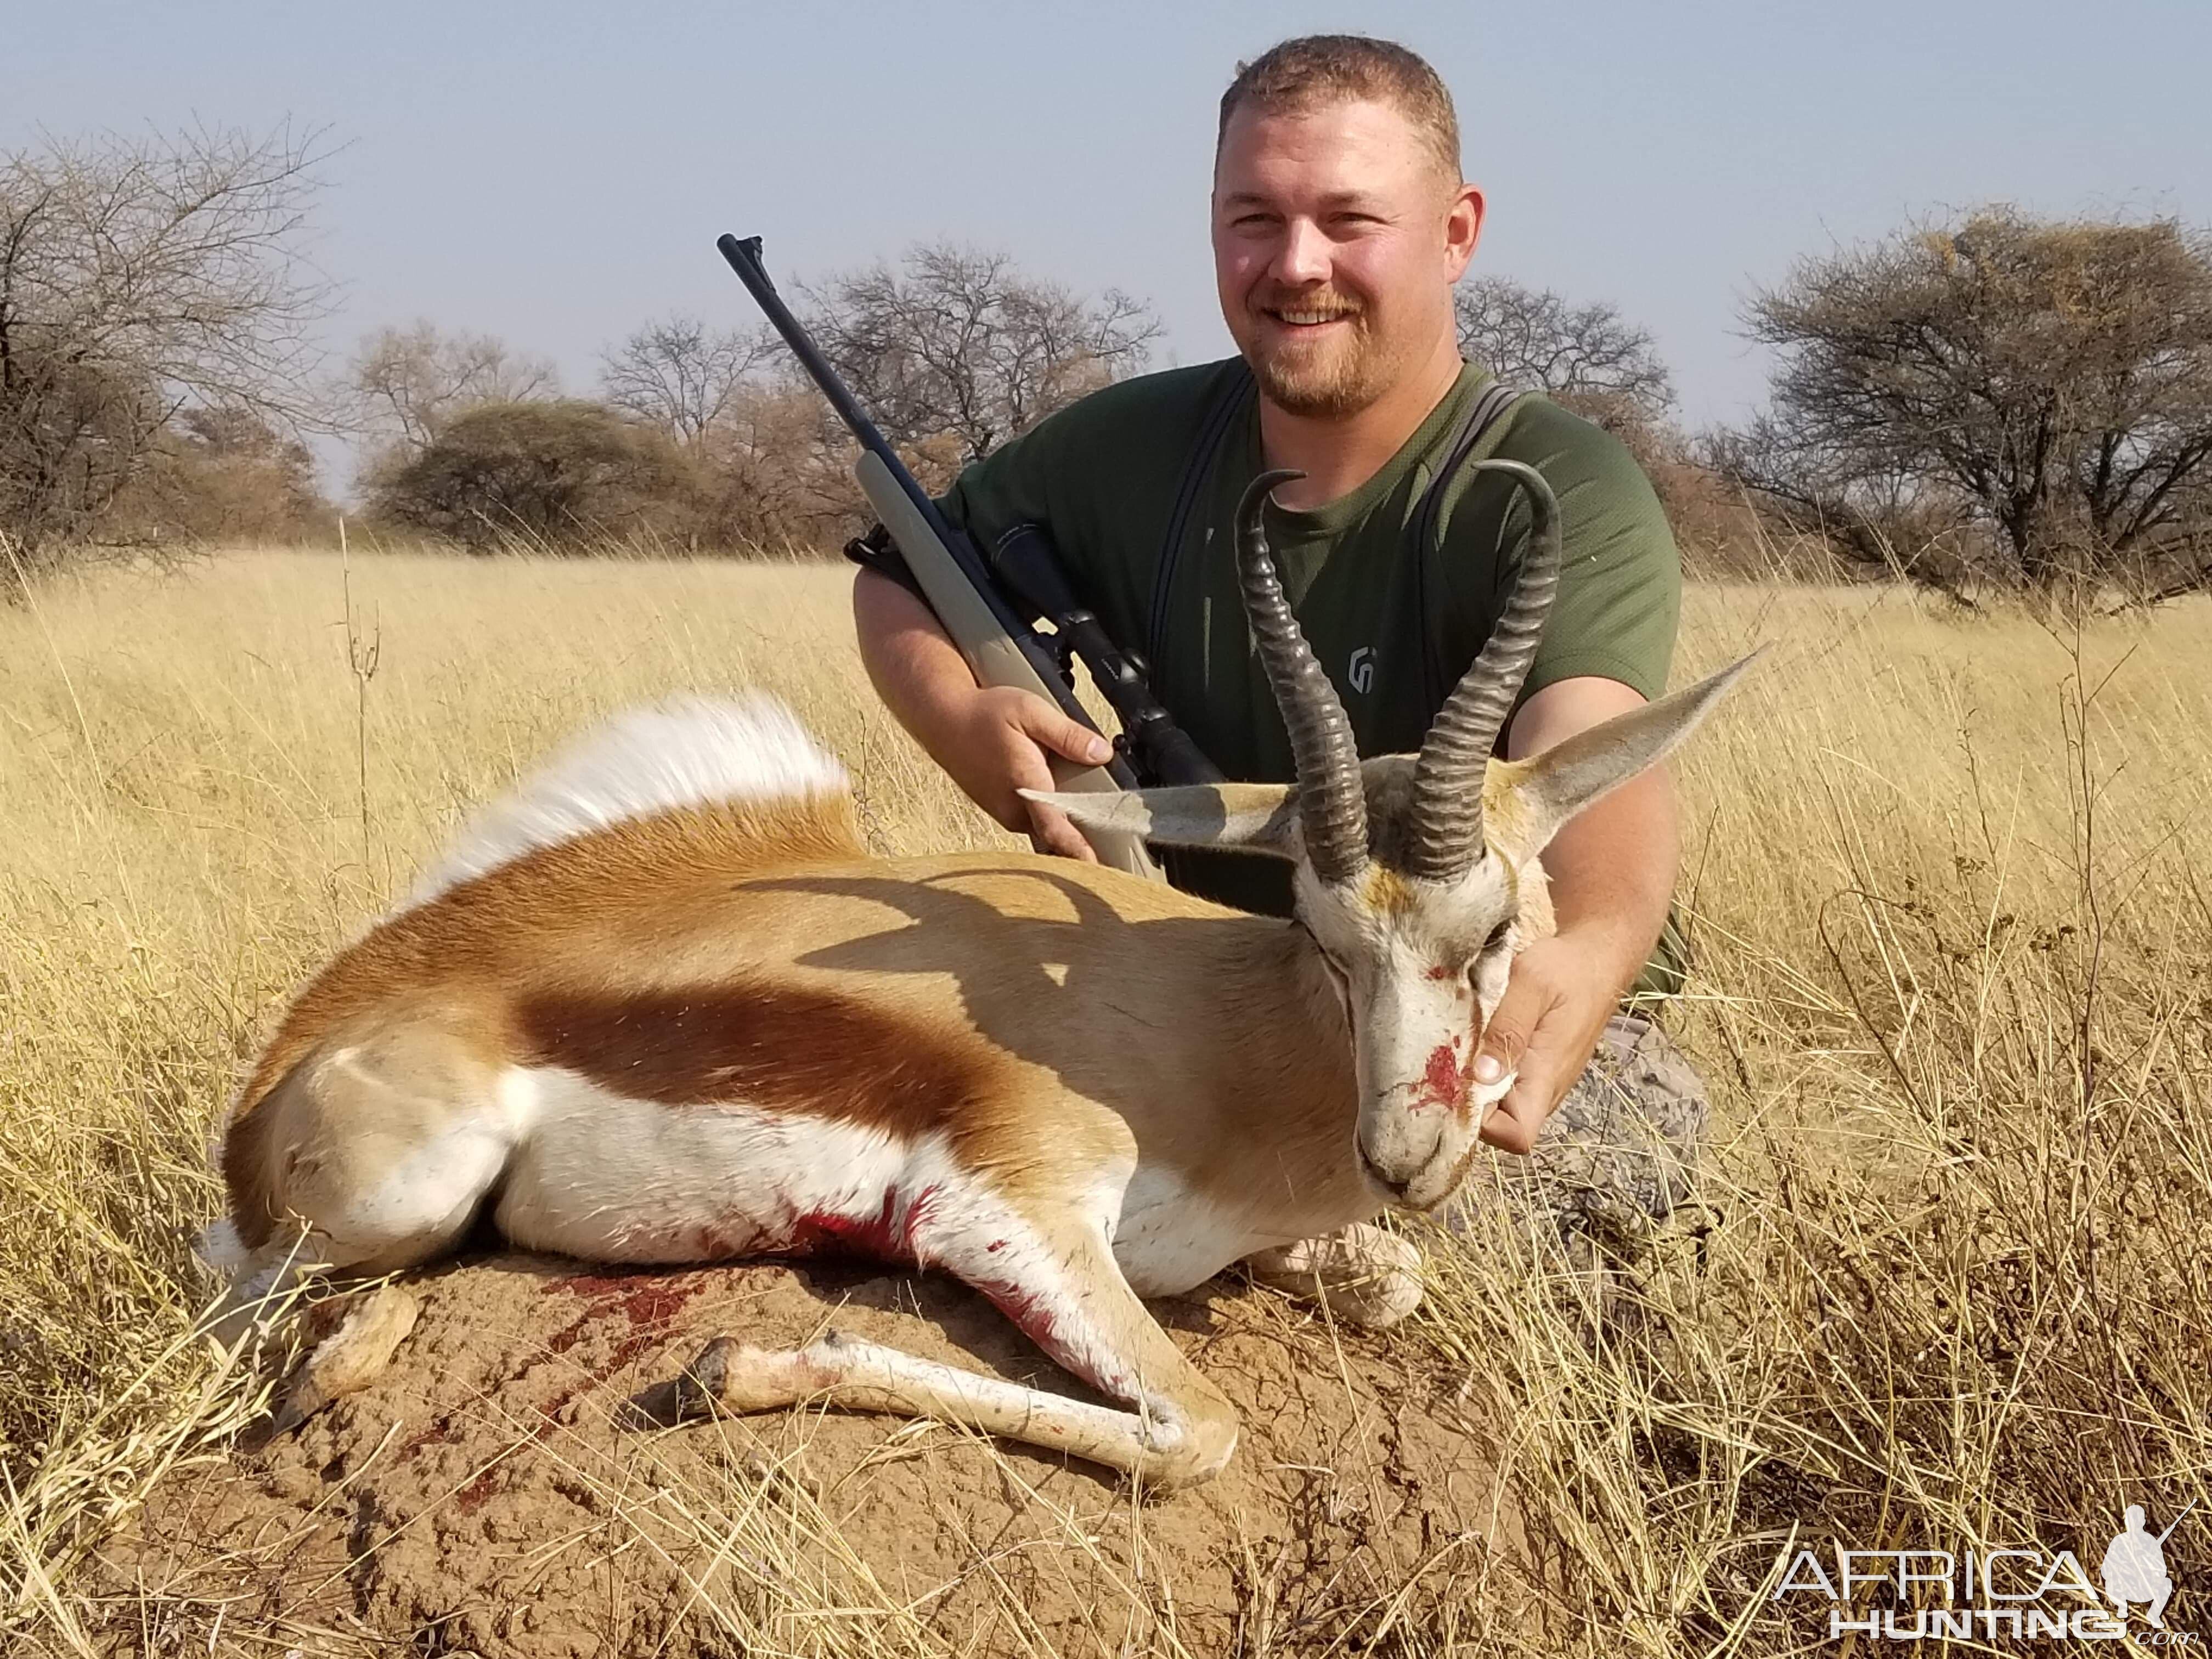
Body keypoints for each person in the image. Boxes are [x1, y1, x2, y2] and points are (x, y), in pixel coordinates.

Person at [849, 33, 1709, 1282]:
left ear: (1457, 231)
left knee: (1517, 1222)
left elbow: (1589, 758)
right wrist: (962, 717)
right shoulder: (1128, 446)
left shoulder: (1561, 485)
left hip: (1463, 1017)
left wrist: (1593, 951)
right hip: (1204, 1003)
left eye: (1349, 219)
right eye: (1254, 218)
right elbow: (897, 568)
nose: (1295, 266)